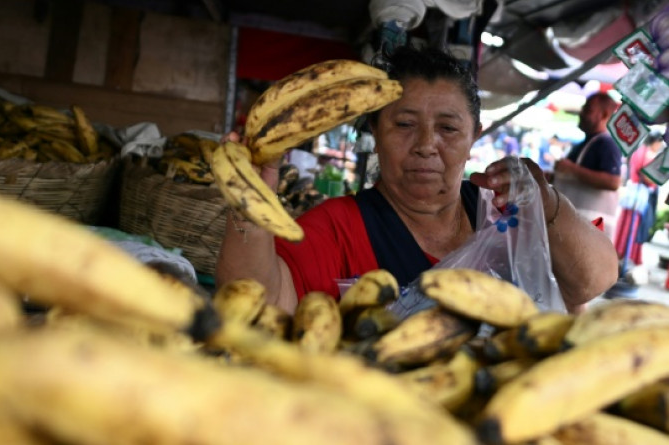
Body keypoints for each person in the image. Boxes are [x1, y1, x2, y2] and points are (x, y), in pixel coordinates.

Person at [215, 45, 618, 314]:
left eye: (448, 128)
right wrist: (250, 203)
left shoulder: (503, 216)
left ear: (474, 136)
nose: (426, 145)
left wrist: (546, 202)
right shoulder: (337, 228)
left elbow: (594, 282)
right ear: (375, 132)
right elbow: (256, 305)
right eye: (405, 124)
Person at [551, 92, 623, 242]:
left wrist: (572, 169)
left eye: (588, 110)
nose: (581, 114)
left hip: (588, 233)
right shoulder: (583, 144)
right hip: (572, 227)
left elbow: (613, 182)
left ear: (604, 115)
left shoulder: (607, 144)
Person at [613, 133, 662, 278]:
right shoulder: (645, 154)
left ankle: (623, 257)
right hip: (638, 197)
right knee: (632, 228)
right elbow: (648, 177)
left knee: (628, 227)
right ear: (656, 142)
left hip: (635, 195)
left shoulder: (640, 152)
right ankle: (624, 259)